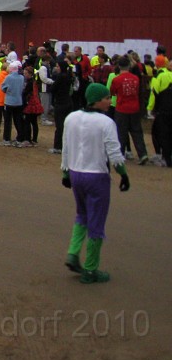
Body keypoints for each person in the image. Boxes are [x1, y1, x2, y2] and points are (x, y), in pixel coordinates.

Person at [61, 83, 130, 284]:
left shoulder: (71, 118)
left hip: (76, 173)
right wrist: (123, 174)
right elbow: (114, 153)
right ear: (96, 100)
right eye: (107, 97)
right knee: (97, 222)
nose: (110, 101)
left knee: (82, 214)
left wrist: (65, 173)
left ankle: (73, 252)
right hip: (96, 176)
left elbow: (66, 147)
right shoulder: (106, 122)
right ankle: (91, 269)